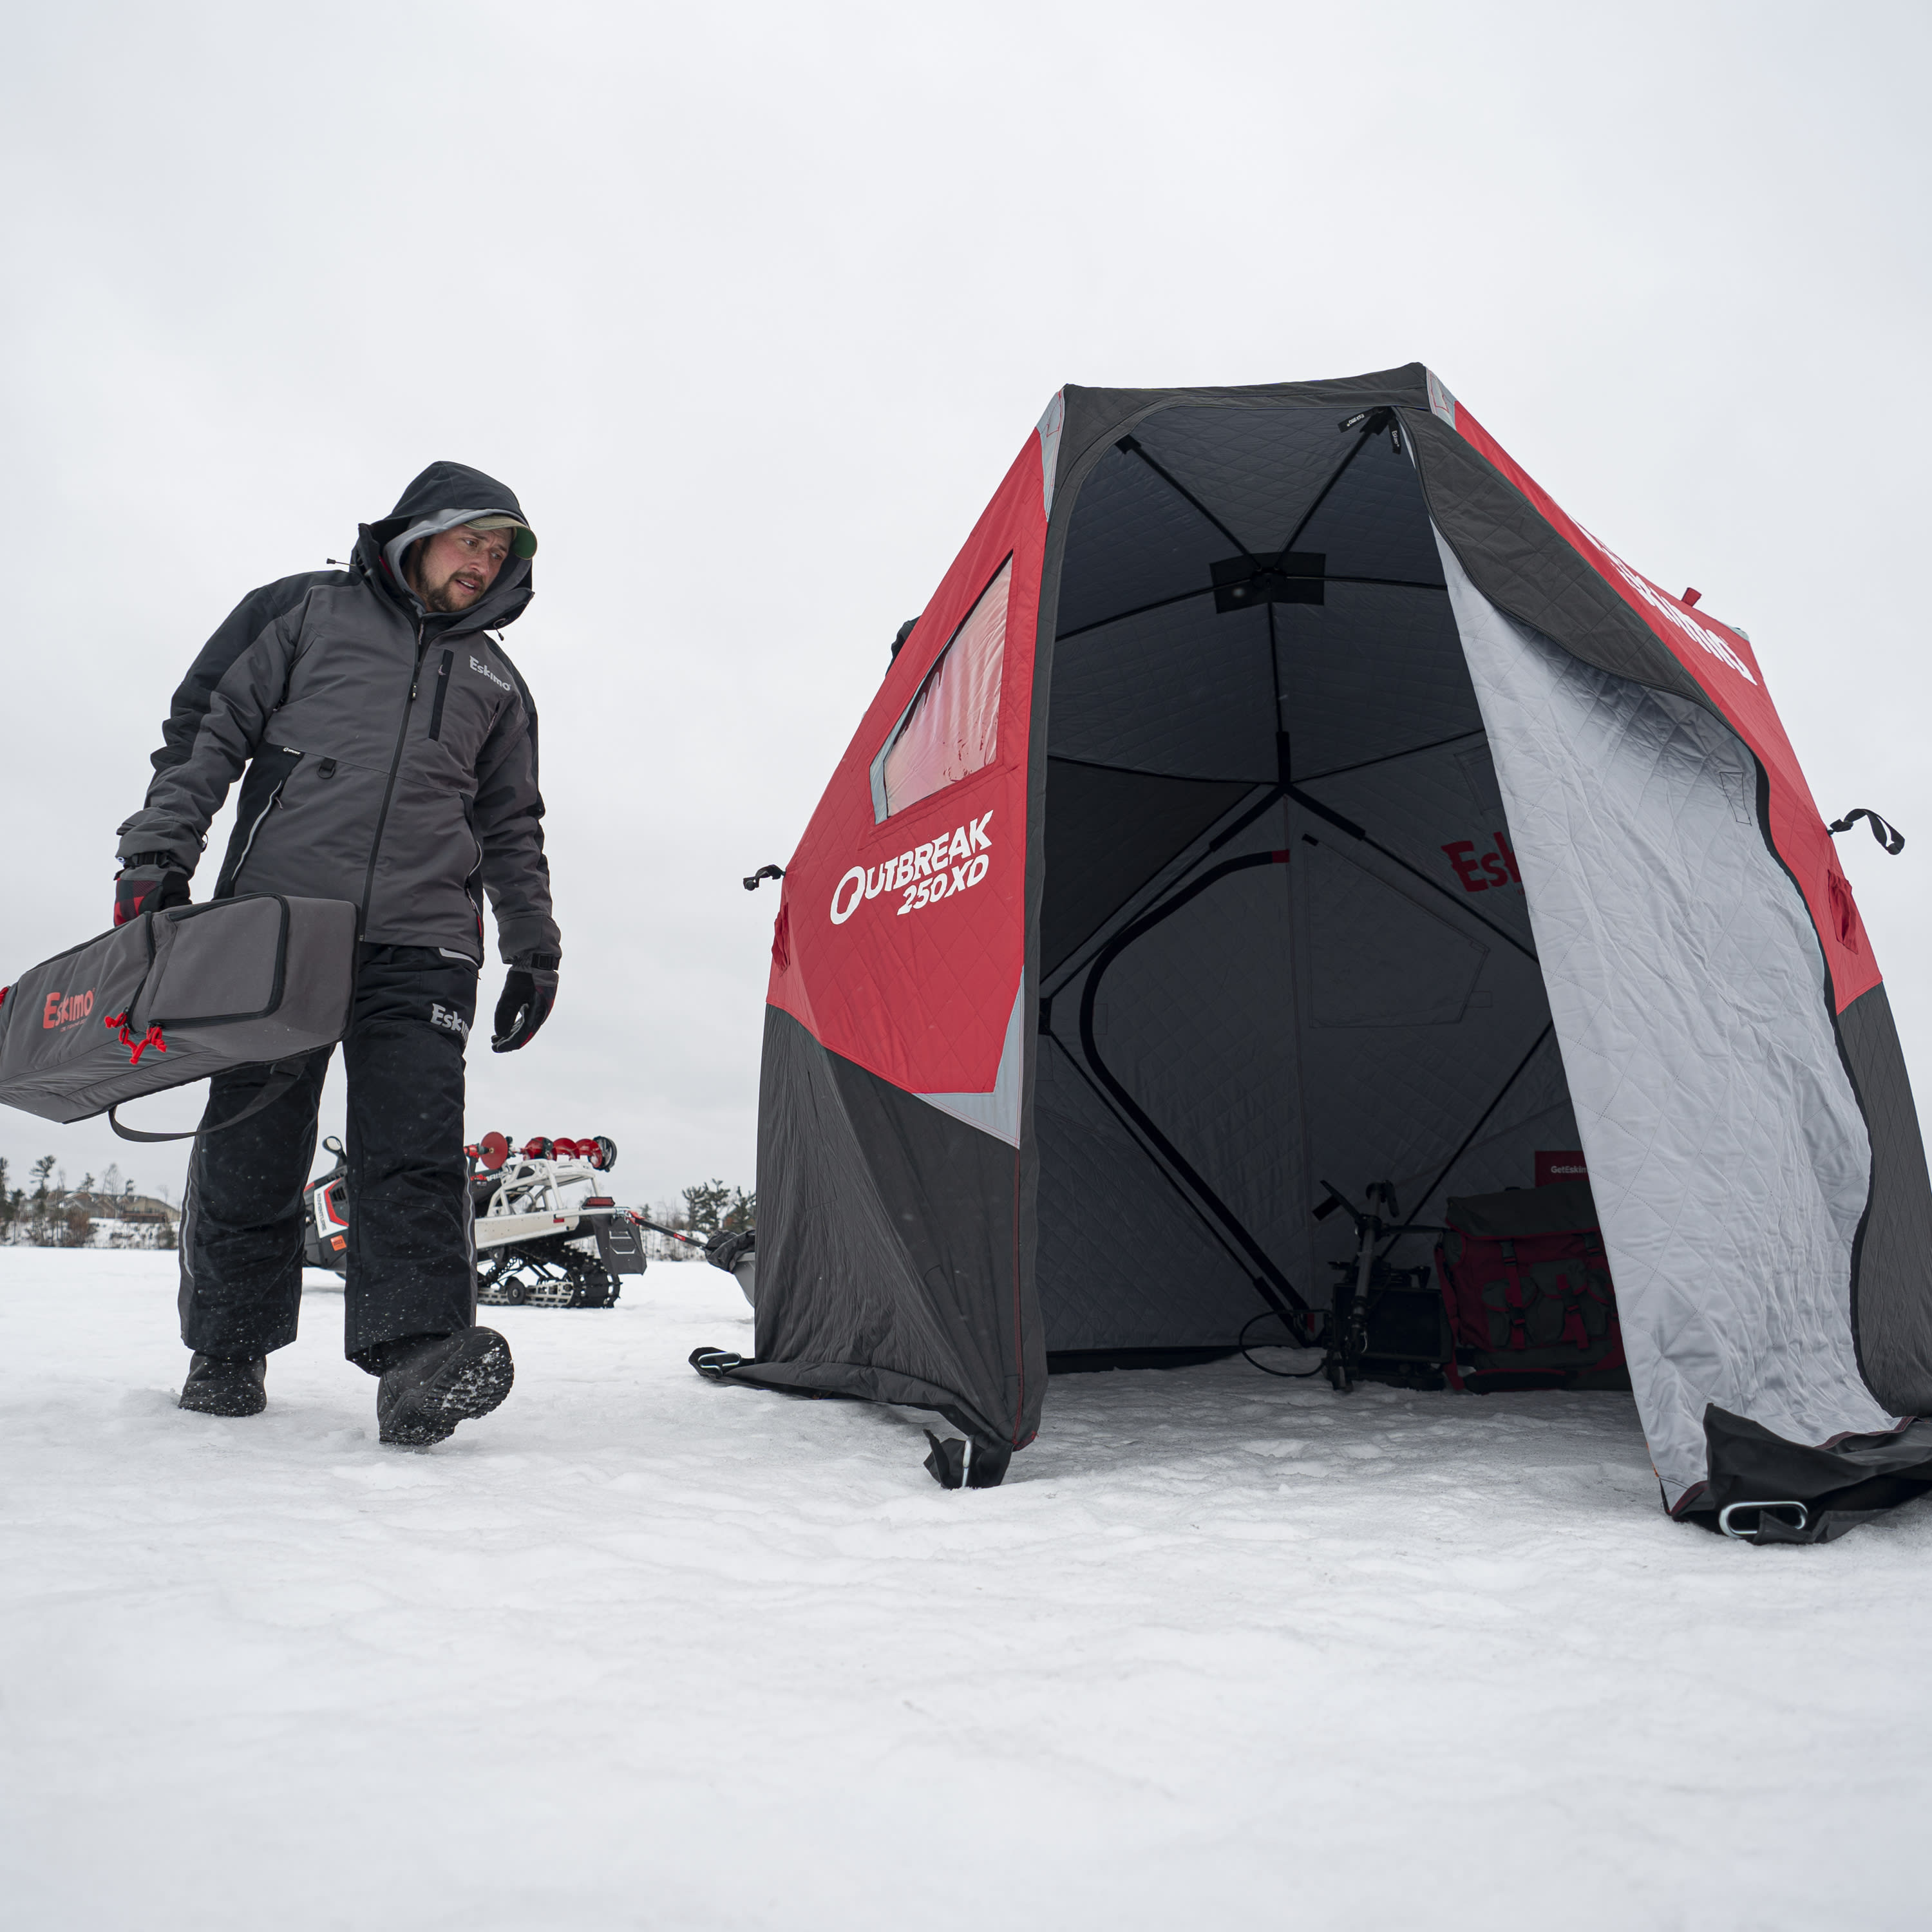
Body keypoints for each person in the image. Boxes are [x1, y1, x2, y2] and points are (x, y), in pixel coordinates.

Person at [113, 461, 562, 1445]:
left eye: (500, 555)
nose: (483, 567)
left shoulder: (497, 679)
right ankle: (228, 1349)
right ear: (418, 532)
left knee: (415, 1149)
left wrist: (534, 946)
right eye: (471, 543)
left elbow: (512, 824)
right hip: (280, 923)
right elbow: (204, 734)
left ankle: (417, 1361)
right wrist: (158, 851)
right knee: (254, 1138)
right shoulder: (301, 611)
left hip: (427, 942)